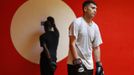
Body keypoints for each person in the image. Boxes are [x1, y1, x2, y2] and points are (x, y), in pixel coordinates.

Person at [67, 0, 104, 75]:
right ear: (85, 9)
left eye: (96, 9)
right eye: (93, 8)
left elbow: (96, 47)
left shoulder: (95, 27)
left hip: (89, 65)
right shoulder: (77, 23)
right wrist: (77, 61)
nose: (95, 10)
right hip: (75, 64)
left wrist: (98, 64)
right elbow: (72, 43)